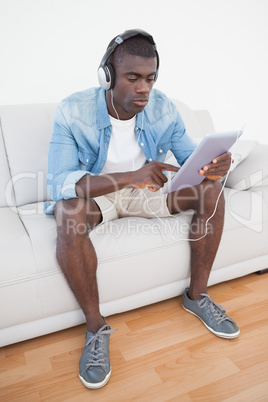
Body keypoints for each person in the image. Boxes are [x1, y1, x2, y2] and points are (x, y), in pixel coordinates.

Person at [45, 29, 239, 390]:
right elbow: (58, 182)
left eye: (150, 78)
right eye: (133, 78)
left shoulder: (165, 107)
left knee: (213, 191)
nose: (144, 88)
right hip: (98, 195)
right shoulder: (73, 110)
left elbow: (190, 161)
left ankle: (197, 296)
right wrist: (130, 175)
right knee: (67, 211)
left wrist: (214, 165)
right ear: (108, 75)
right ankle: (95, 328)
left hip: (148, 192)